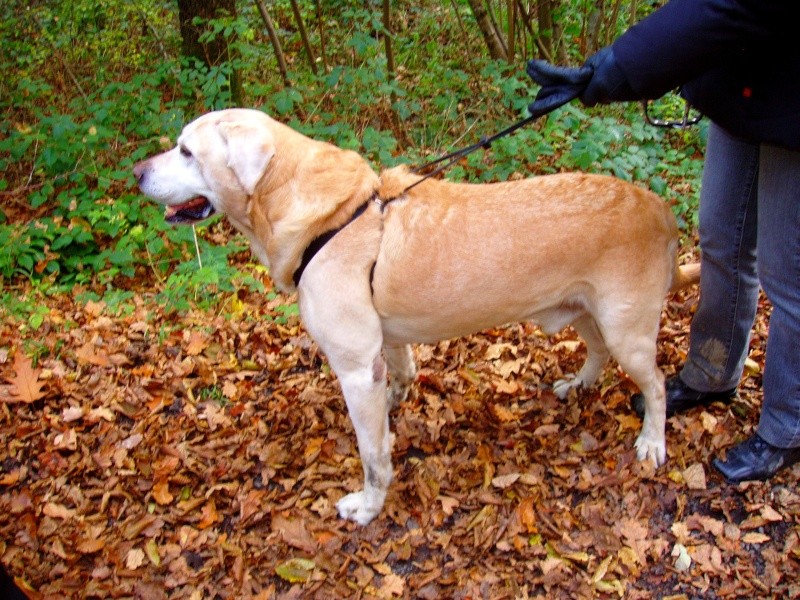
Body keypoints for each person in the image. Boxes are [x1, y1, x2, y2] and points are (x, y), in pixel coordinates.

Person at [528, 0, 800, 483]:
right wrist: (626, 63)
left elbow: (732, 7)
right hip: (743, 83)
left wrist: (625, 65)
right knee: (722, 242)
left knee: (789, 275)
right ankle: (713, 373)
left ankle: (787, 427)